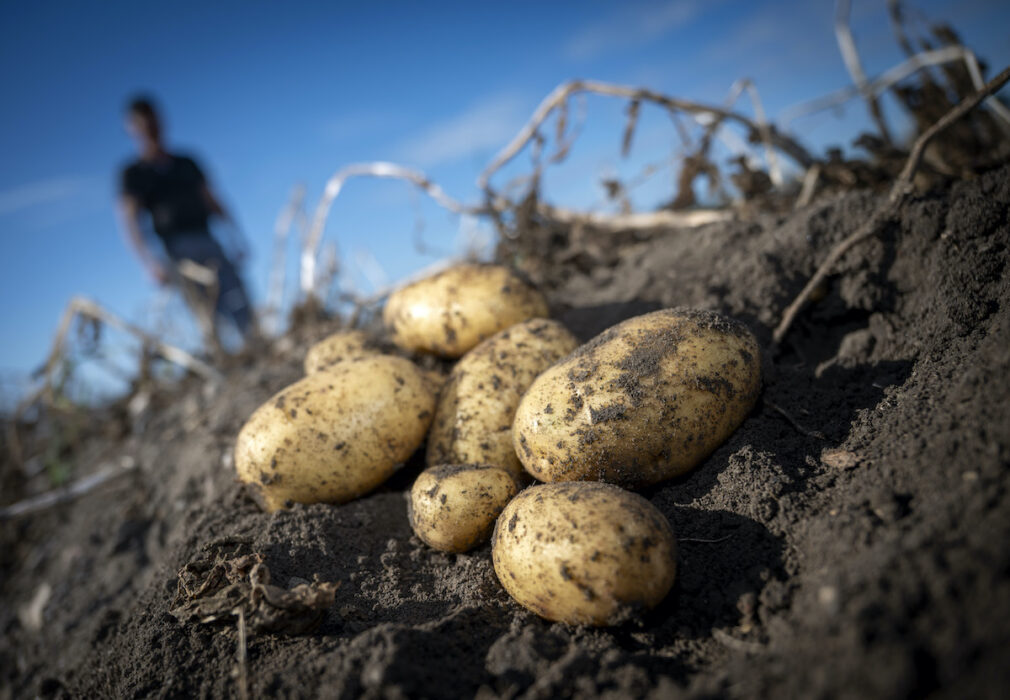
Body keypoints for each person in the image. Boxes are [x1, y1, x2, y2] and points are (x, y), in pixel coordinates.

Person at [117, 95, 255, 351]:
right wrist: (149, 263)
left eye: (153, 121)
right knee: (203, 310)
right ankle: (223, 361)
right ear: (132, 128)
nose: (150, 128)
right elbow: (130, 221)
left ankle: (256, 346)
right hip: (176, 249)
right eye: (142, 124)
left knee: (237, 297)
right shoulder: (133, 174)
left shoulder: (186, 162)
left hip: (207, 239)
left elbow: (213, 200)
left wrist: (236, 236)